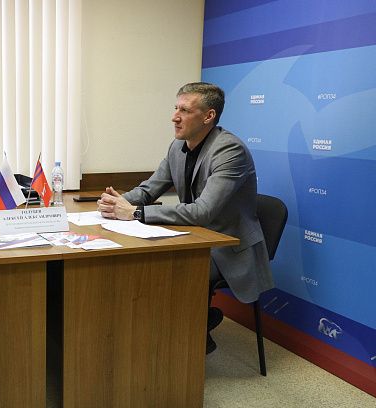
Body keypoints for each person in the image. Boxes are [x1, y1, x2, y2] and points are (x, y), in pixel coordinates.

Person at [97, 82, 273, 354]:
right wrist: (118, 202)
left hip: (228, 247)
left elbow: (203, 211)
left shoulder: (229, 151)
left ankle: (190, 332)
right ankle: (183, 328)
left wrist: (135, 213)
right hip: (194, 235)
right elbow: (149, 189)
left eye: (185, 110)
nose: (174, 117)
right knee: (144, 261)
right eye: (175, 108)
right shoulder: (177, 147)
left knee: (163, 268)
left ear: (208, 116)